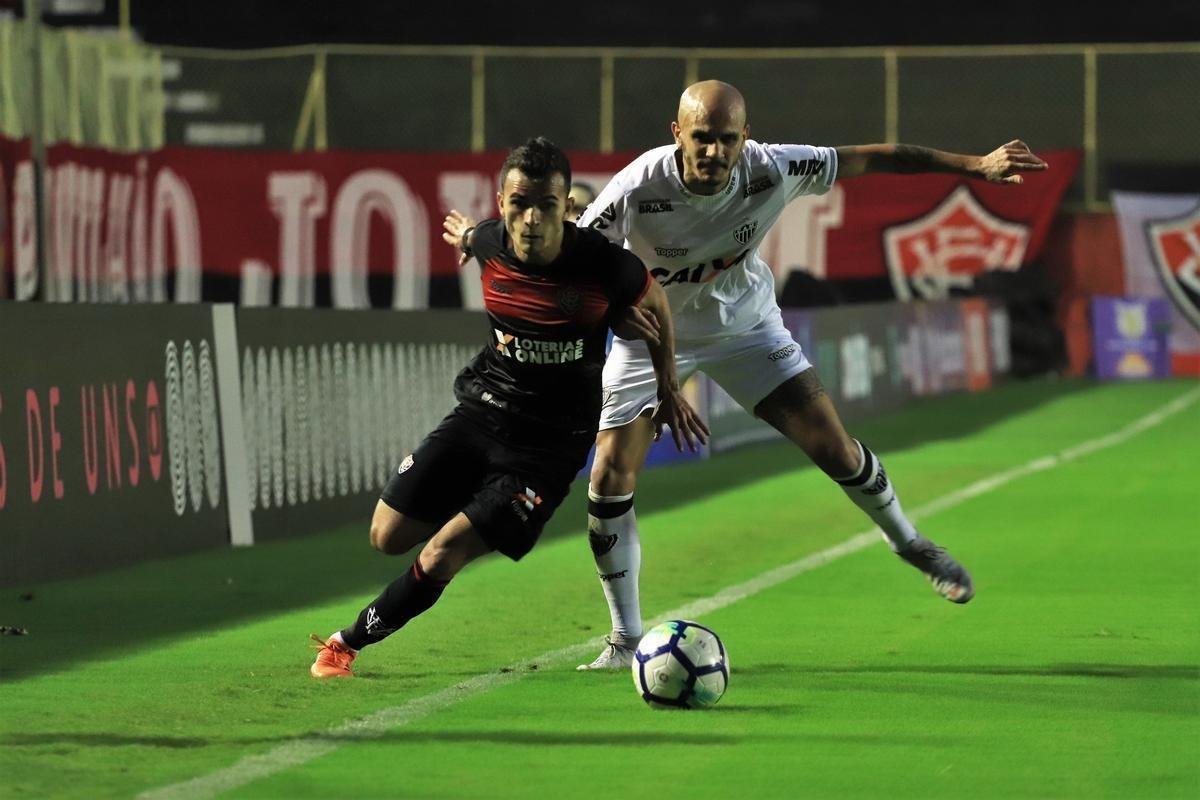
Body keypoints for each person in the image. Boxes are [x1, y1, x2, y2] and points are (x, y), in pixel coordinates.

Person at [571, 80, 1050, 670]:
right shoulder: (639, 187)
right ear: (677, 134)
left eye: (727, 139)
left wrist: (975, 164)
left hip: (747, 330)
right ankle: (623, 640)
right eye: (702, 138)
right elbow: (572, 262)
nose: (715, 152)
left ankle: (911, 542)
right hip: (650, 337)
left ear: (745, 137)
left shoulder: (773, 168)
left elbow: (876, 159)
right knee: (608, 478)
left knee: (836, 451)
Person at [310, 137, 708, 678]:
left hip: (546, 446)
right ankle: (469, 511)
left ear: (568, 209)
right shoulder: (490, 240)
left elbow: (657, 305)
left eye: (546, 205)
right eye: (519, 203)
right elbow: (473, 235)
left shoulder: (605, 267)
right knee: (386, 536)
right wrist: (467, 236)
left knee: (441, 553)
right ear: (501, 204)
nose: (530, 218)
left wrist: (667, 389)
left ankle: (344, 642)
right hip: (482, 410)